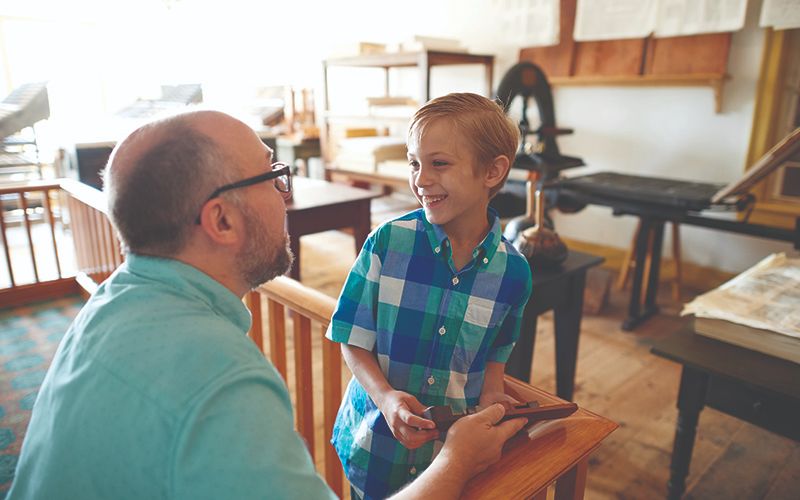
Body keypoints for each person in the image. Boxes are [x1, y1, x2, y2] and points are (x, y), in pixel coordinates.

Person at [8, 110, 527, 500]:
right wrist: (457, 461)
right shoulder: (221, 381)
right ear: (222, 221)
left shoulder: (110, 305)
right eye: (272, 177)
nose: (286, 194)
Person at [327, 93, 533, 499]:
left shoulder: (514, 273)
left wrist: (493, 395)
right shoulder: (387, 243)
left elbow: (495, 355)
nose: (420, 179)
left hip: (452, 456)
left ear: (492, 171)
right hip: (376, 446)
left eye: (439, 163)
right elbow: (351, 337)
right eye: (414, 162)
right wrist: (386, 398)